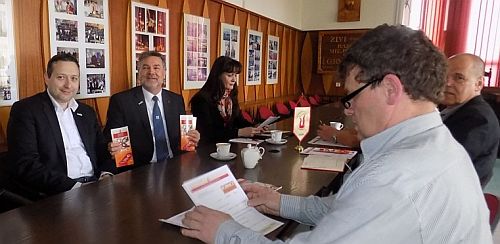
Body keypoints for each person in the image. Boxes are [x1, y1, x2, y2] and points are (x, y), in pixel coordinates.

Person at [180, 25, 492, 243]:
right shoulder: (434, 144)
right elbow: (348, 206)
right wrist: (277, 202)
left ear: (391, 89)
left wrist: (223, 231)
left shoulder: (394, 178)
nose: (348, 110)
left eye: (351, 96)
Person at [6, 54, 114, 199]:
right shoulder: (26, 110)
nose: (68, 85)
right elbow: (26, 165)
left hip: (96, 185)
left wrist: (106, 174)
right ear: (47, 78)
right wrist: (76, 187)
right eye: (61, 77)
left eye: (74, 78)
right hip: (59, 193)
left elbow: (101, 151)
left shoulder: (86, 112)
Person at [104, 51, 200, 168]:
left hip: (175, 163)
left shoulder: (176, 100)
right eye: (145, 68)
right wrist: (111, 146)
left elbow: (183, 136)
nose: (151, 72)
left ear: (164, 73)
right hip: (141, 168)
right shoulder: (121, 101)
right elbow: (109, 138)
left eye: (156, 67)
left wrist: (193, 137)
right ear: (139, 73)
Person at [440, 53, 500, 187]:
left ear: (478, 84)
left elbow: (444, 165)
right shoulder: (453, 107)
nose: (447, 83)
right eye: (445, 75)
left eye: (459, 78)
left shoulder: (478, 119)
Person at [190, 56, 264, 144]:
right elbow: (208, 133)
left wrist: (255, 127)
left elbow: (238, 120)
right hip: (210, 149)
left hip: (231, 146)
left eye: (235, 75)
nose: (234, 80)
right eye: (230, 75)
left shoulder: (231, 95)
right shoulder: (201, 99)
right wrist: (239, 132)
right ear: (218, 76)